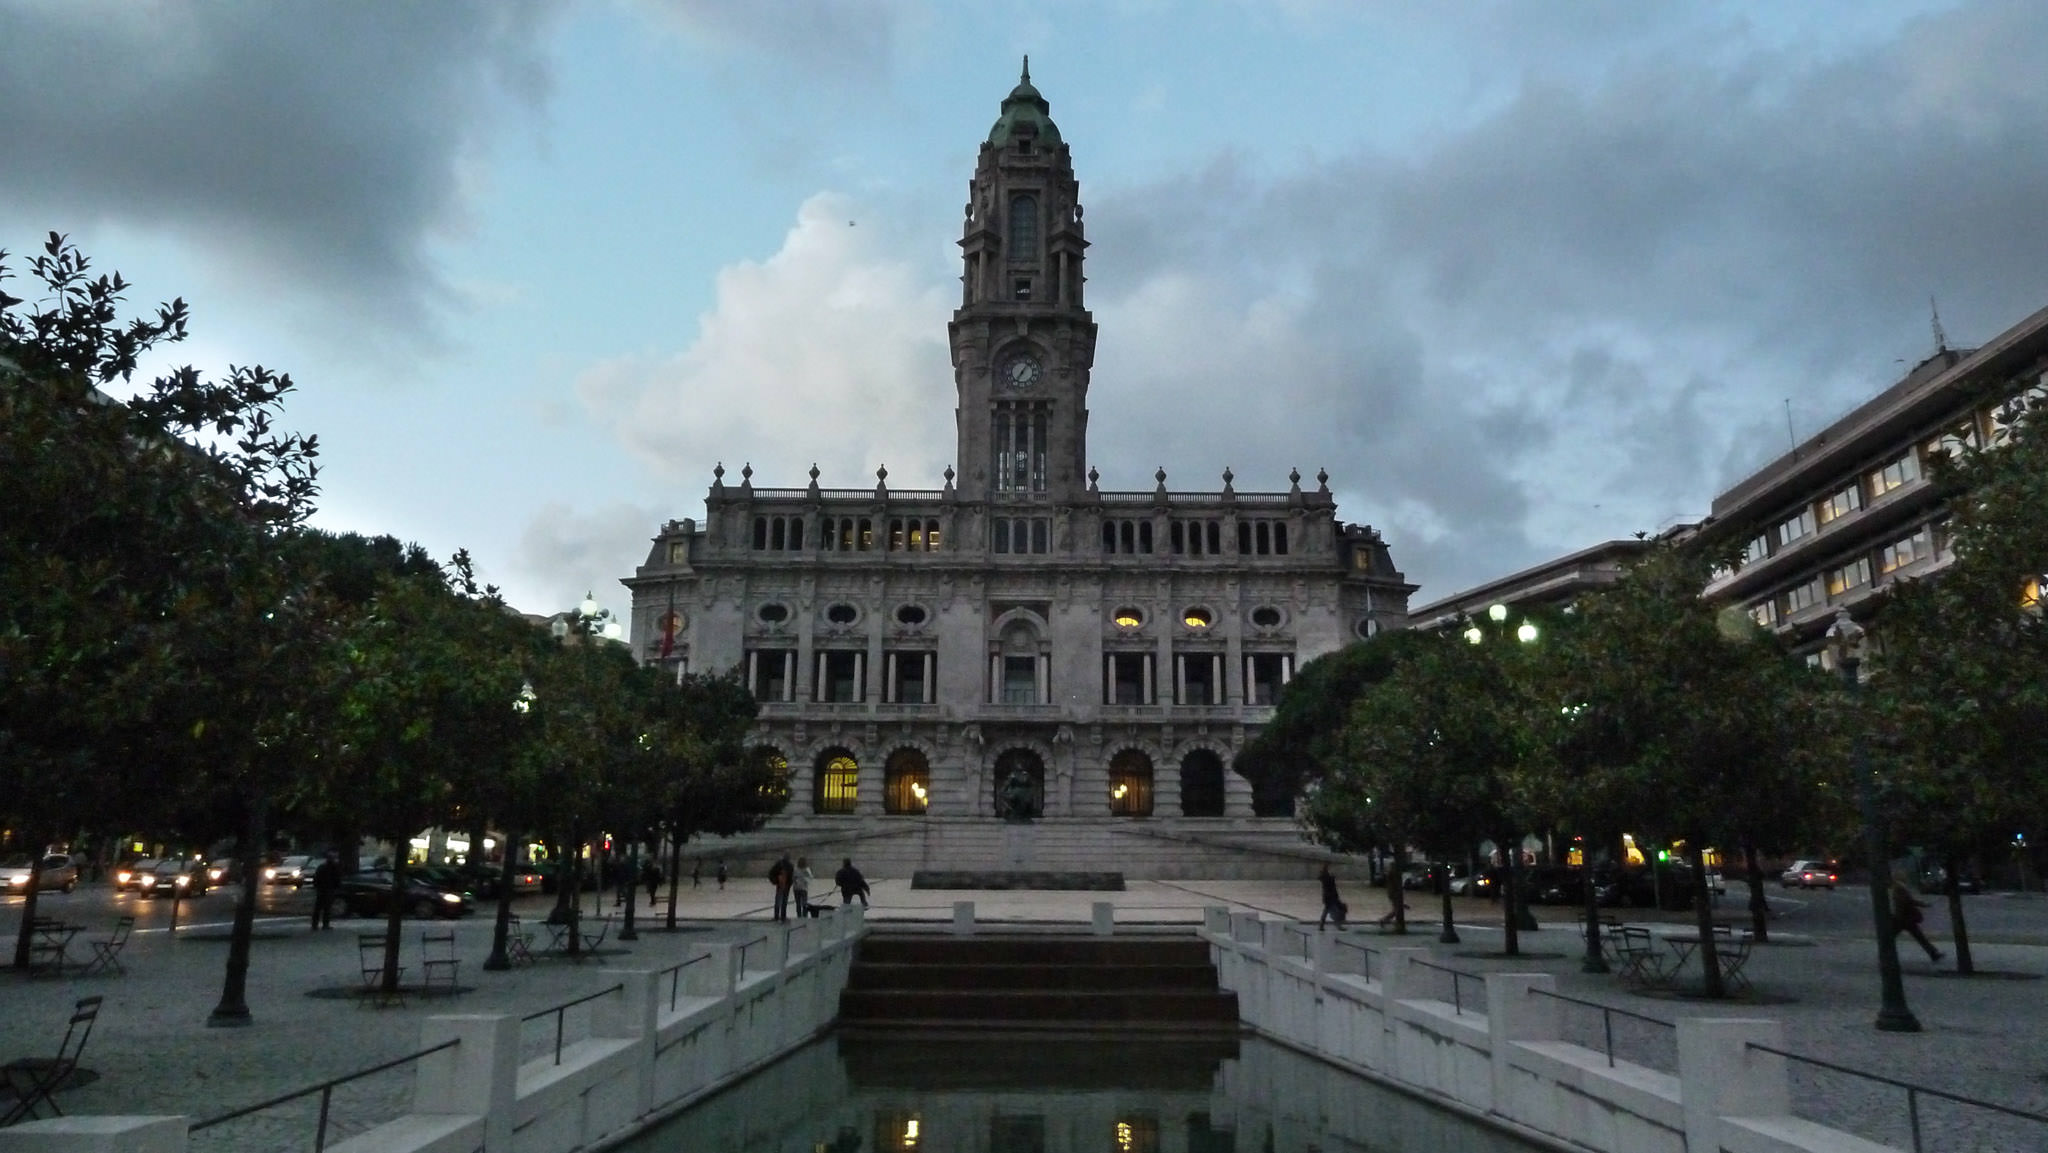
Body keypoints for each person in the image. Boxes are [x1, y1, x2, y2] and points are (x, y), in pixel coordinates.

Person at [1891, 878, 1944, 962]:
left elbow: (1907, 901)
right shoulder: (1900, 888)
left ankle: (1934, 954)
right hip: (1904, 918)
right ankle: (1933, 954)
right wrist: (1923, 904)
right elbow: (1908, 901)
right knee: (1919, 937)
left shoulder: (1898, 888)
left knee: (1919, 937)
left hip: (1903, 918)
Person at [310, 851, 341, 931]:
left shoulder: (322, 867)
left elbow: (316, 878)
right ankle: (325, 925)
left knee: (318, 908)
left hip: (321, 889)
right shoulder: (334, 867)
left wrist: (316, 886)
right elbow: (337, 879)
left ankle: (315, 925)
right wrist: (336, 887)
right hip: (329, 889)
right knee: (327, 908)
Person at [1318, 864, 1347, 931]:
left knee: (1326, 911)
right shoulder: (1327, 877)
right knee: (1334, 911)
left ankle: (1321, 926)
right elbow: (1329, 884)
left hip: (1329, 897)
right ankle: (1338, 926)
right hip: (1330, 897)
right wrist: (1333, 877)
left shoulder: (1326, 877)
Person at [769, 853, 795, 922]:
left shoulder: (779, 864)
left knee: (778, 901)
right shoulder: (790, 866)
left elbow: (771, 873)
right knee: (784, 902)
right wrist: (789, 884)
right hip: (786, 886)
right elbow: (792, 877)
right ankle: (783, 916)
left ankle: (776, 916)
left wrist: (775, 881)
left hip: (780, 885)